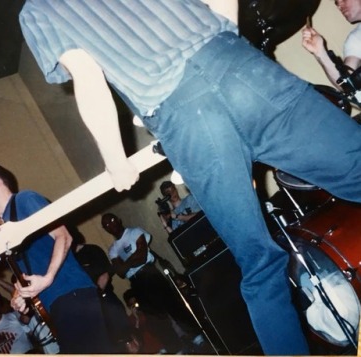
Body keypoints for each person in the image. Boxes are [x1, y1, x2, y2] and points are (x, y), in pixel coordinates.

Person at [18, 1, 361, 354]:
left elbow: (88, 77)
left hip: (183, 113)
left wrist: (115, 160)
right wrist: (227, 42)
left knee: (260, 263)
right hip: (234, 61)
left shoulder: (38, 9)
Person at [0, 162, 112, 354]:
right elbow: (29, 269)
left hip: (71, 292)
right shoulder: (5, 227)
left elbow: (64, 236)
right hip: (55, 302)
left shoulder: (24, 200)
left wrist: (48, 277)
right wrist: (20, 294)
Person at [101, 212, 185, 354]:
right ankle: (177, 350)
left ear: (119, 220)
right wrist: (132, 259)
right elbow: (120, 272)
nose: (110, 225)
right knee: (156, 319)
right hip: (136, 283)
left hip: (150, 274)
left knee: (173, 305)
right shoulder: (113, 249)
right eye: (106, 225)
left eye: (112, 220)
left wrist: (125, 263)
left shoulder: (135, 232)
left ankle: (197, 337)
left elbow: (142, 257)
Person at [70, 230, 134, 352]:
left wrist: (96, 296)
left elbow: (104, 275)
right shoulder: (71, 259)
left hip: (105, 300)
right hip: (89, 308)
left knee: (125, 338)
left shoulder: (92, 250)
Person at [302, 0, 361, 91]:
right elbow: (348, 86)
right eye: (336, 3)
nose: (339, 5)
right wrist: (320, 52)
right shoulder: (355, 39)